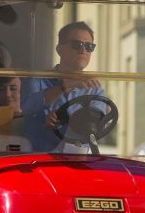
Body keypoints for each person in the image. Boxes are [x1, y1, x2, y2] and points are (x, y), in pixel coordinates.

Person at [20, 21, 105, 152]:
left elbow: (96, 124)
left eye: (89, 46)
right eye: (76, 45)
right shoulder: (36, 81)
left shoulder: (94, 89)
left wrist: (63, 117)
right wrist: (65, 86)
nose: (83, 50)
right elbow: (24, 109)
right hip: (37, 161)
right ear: (59, 49)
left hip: (76, 163)